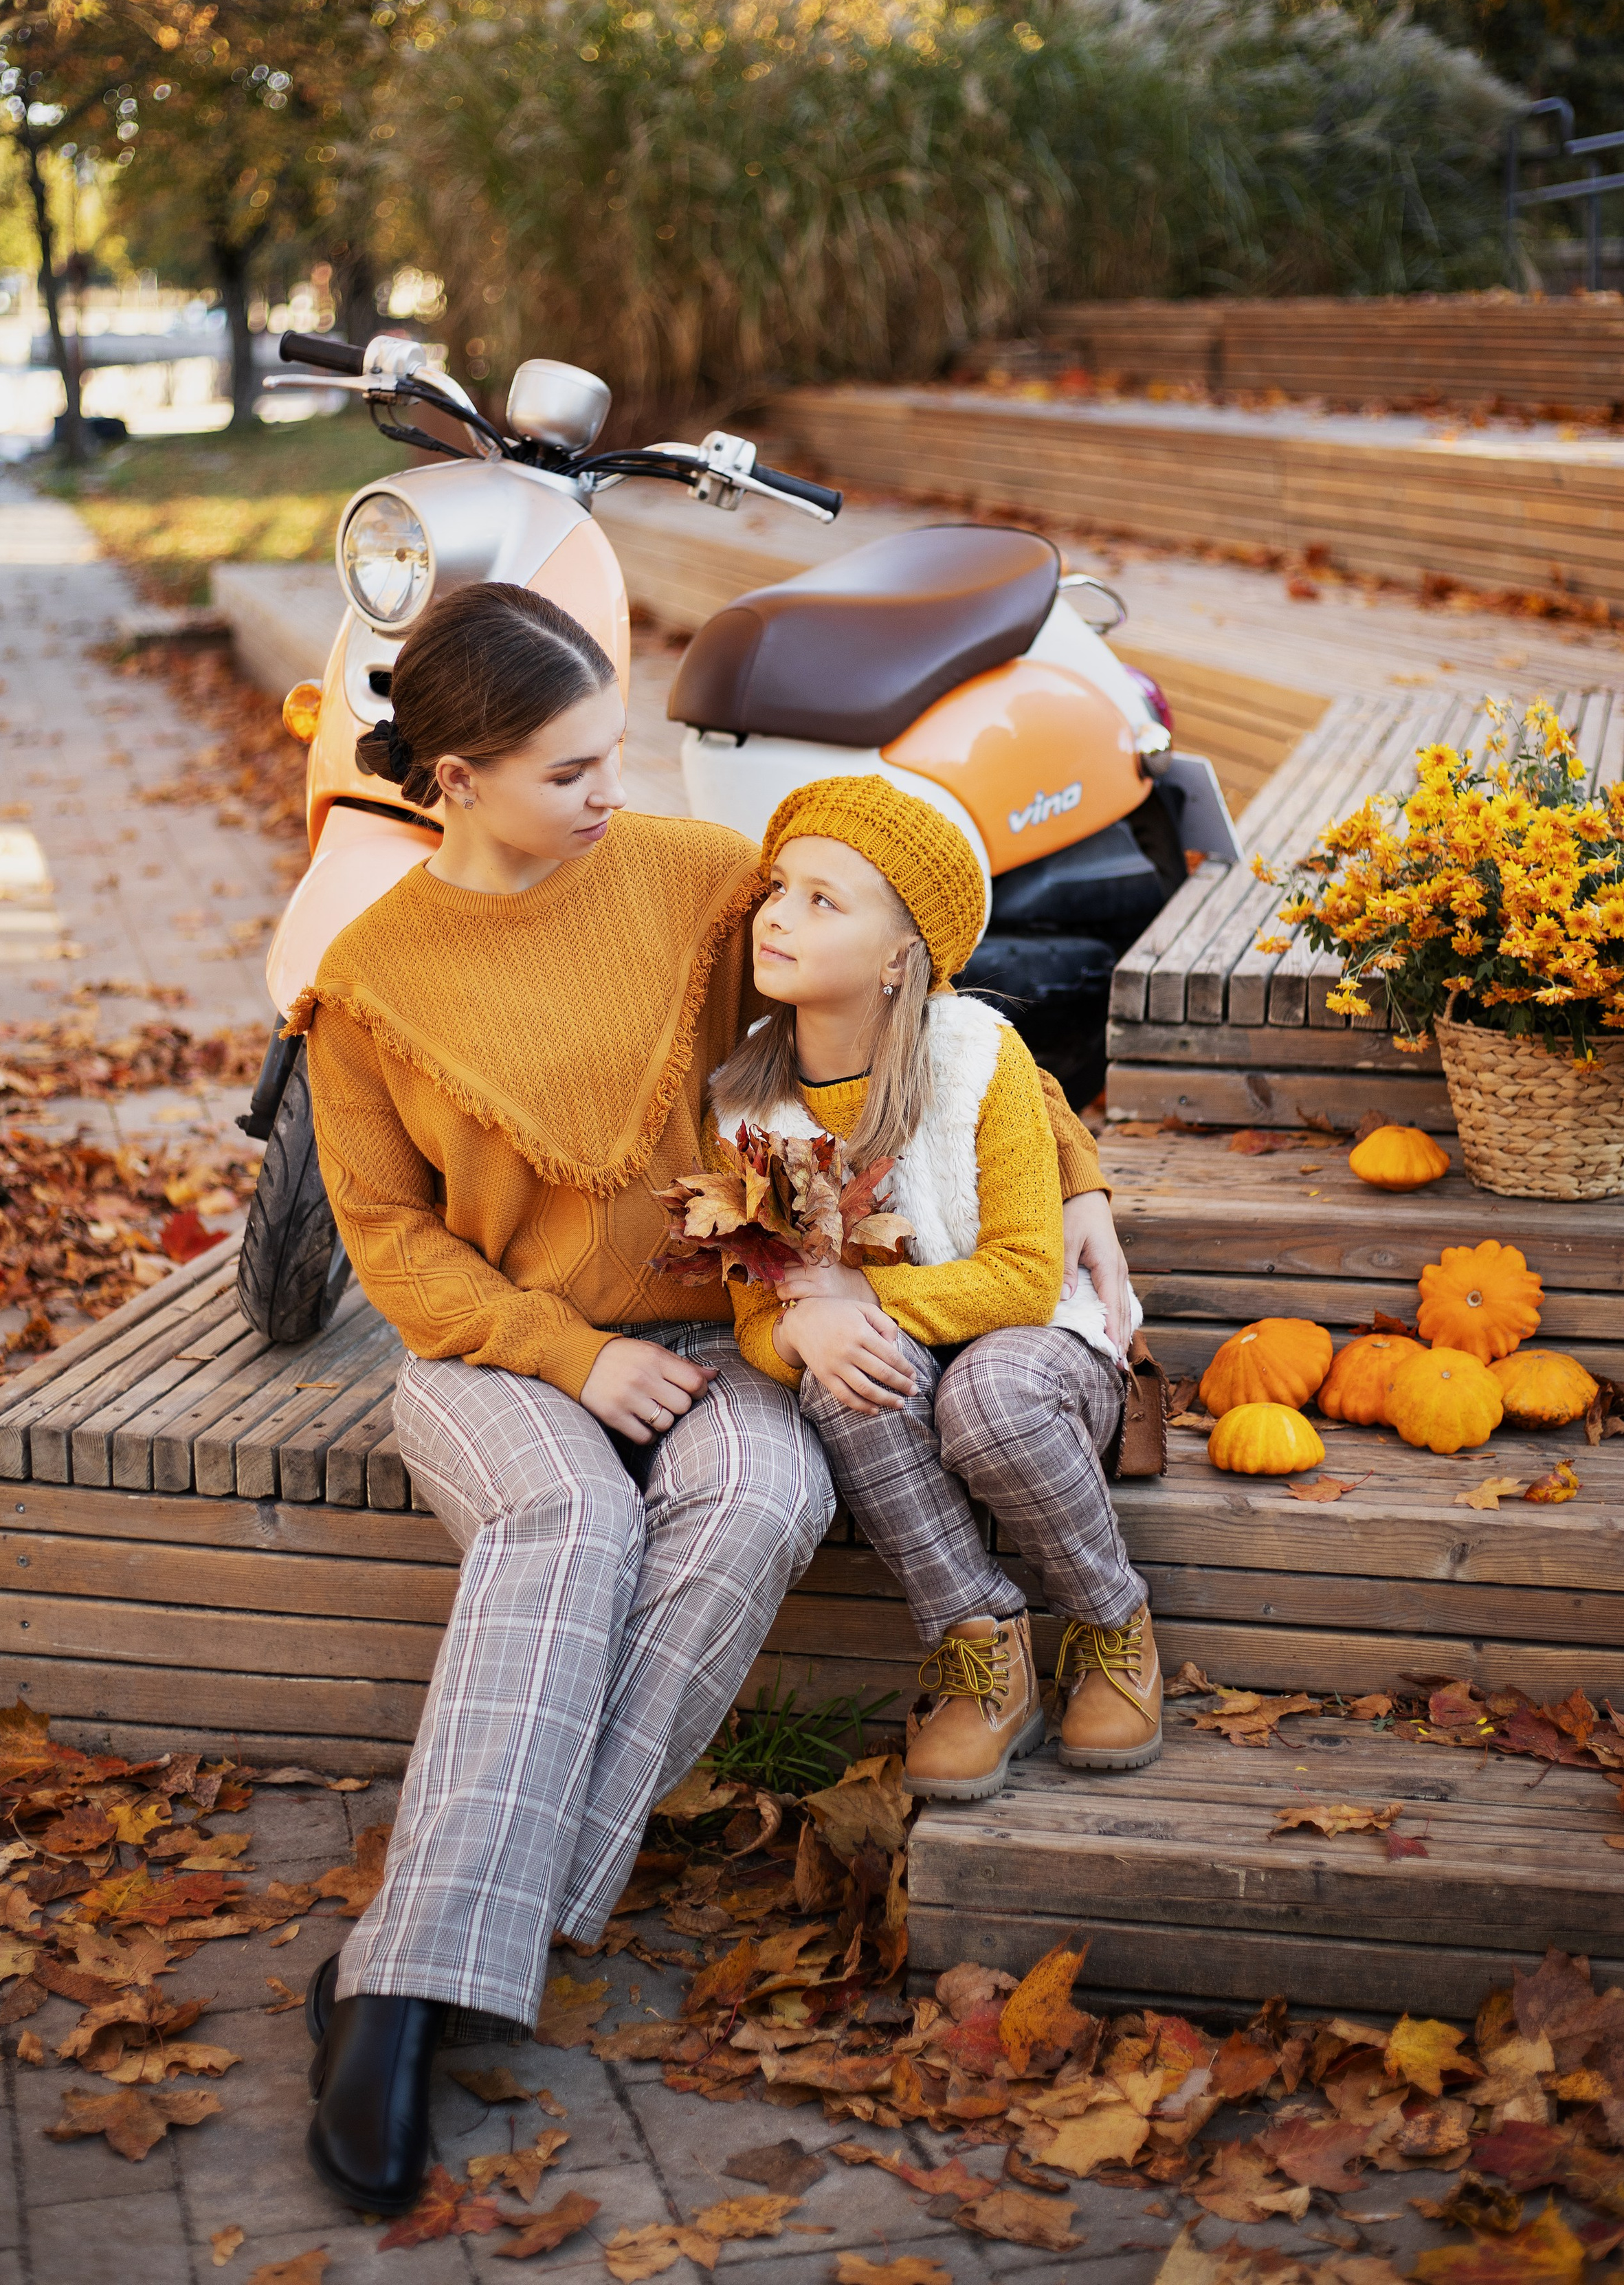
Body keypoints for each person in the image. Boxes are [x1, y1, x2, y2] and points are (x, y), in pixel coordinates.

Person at [287, 583, 1136, 2215]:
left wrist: (1076, 1174)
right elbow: (388, 1240)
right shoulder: (370, 976)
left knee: (761, 1496)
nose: (618, 793)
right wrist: (567, 1355)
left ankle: (441, 1945)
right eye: (570, 770)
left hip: (724, 1323)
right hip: (497, 1353)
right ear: (453, 781)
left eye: (616, 752)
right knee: (562, 1519)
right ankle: (402, 2007)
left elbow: (917, 997)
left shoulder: (683, 881)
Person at [705, 775, 1164, 1809]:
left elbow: (1021, 1275)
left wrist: (840, 1306)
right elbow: (754, 1318)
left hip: (1039, 1347)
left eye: (826, 901)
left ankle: (1110, 1619)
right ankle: (979, 1646)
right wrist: (799, 1333)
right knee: (839, 1375)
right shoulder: (750, 1103)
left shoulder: (975, 1060)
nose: (777, 914)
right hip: (901, 1378)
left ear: (903, 956)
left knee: (984, 1398)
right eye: (779, 887)